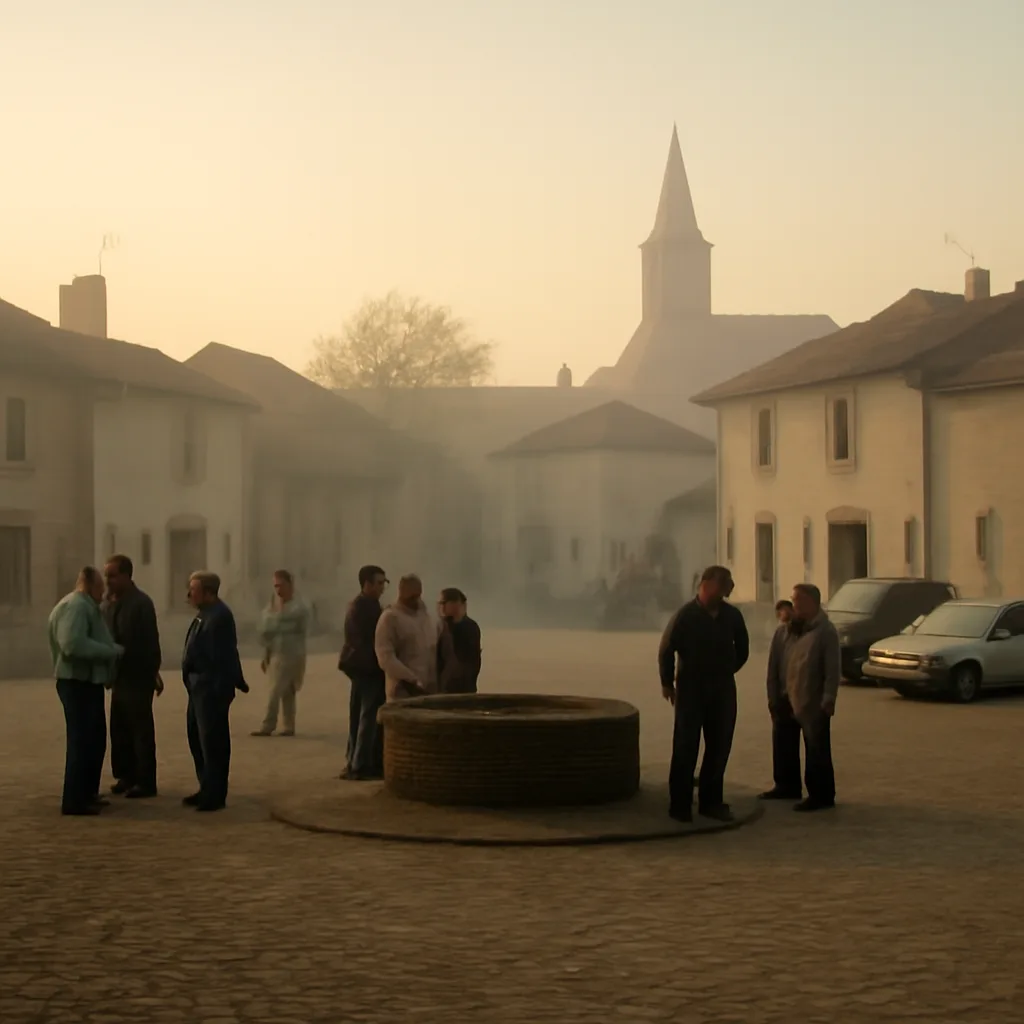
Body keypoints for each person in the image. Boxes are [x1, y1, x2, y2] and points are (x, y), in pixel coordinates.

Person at [659, 565, 749, 823]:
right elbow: (666, 650)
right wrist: (667, 683)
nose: (723, 592)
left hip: (722, 690)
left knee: (719, 747)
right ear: (705, 584)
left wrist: (727, 669)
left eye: (727, 586)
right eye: (720, 585)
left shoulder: (731, 616)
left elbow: (743, 648)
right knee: (686, 747)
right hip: (690, 690)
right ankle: (680, 805)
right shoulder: (686, 616)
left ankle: (711, 802)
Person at [48, 567, 123, 816]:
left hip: (87, 681)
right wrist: (110, 651)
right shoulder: (76, 607)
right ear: (89, 585)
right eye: (100, 586)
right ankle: (74, 800)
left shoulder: (86, 606)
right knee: (81, 741)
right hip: (76, 681)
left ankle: (87, 792)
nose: (104, 592)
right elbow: (72, 644)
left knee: (94, 739)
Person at [762, 582, 839, 811]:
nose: (794, 604)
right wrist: (772, 695)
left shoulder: (825, 631)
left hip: (811, 699)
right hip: (784, 696)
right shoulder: (785, 631)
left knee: (816, 748)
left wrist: (829, 698)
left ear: (813, 602)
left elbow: (832, 668)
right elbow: (773, 666)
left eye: (799, 599)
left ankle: (821, 794)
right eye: (793, 599)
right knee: (783, 743)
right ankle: (786, 785)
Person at [181, 571, 248, 812]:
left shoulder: (220, 616)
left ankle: (215, 794)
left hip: (210, 689)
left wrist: (219, 689)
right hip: (198, 688)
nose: (189, 594)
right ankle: (206, 786)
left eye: (194, 590)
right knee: (197, 739)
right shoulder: (204, 614)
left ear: (208, 592)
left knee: (213, 742)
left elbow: (222, 657)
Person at [103, 554, 162, 799]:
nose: (108, 581)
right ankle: (125, 776)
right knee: (119, 729)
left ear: (127, 575)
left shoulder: (141, 603)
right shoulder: (107, 604)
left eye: (113, 576)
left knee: (140, 731)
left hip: (137, 676)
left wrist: (152, 672)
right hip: (117, 677)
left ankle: (145, 781)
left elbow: (150, 642)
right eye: (107, 576)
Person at [338, 565, 388, 780]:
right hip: (366, 668)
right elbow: (368, 641)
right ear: (366, 584)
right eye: (379, 583)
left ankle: (354, 761)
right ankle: (361, 764)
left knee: (359, 714)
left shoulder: (366, 604)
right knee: (367, 716)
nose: (382, 588)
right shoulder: (363, 607)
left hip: (360, 667)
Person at [252, 569, 310, 737]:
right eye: (275, 586)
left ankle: (268, 725)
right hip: (277, 653)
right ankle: (288, 726)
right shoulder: (272, 606)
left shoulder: (299, 606)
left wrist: (275, 622)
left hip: (293, 653)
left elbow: (289, 624)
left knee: (278, 690)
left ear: (290, 584)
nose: (277, 590)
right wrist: (266, 654)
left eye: (281, 585)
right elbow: (264, 630)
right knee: (283, 690)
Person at [375, 574, 442, 703]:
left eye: (417, 594)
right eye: (411, 594)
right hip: (402, 692)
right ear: (401, 591)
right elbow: (385, 658)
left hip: (429, 691)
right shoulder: (390, 618)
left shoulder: (426, 617)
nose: (415, 598)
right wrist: (411, 679)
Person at [438, 587, 482, 694]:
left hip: (464, 686)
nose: (442, 607)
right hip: (442, 686)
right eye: (440, 603)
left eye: (446, 603)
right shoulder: (439, 625)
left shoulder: (470, 627)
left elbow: (470, 660)